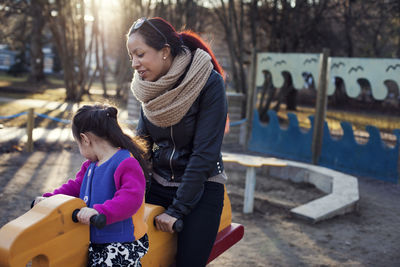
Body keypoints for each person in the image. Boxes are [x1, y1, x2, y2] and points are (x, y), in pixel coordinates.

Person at [127, 17, 228, 267]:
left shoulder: (208, 82)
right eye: (131, 56)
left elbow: (204, 154)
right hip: (159, 182)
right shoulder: (147, 87)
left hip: (201, 187)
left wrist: (178, 209)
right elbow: (143, 146)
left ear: (164, 52)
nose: (135, 64)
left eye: (140, 54)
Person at [33, 104, 150, 267]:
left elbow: (130, 199)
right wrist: (50, 199)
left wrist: (100, 211)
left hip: (120, 243)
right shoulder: (90, 165)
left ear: (85, 139)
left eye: (78, 143)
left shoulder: (125, 162)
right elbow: (74, 187)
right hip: (93, 240)